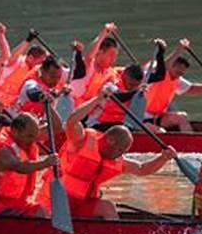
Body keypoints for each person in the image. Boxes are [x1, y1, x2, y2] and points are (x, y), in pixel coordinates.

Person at [47, 90, 176, 219]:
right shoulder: (81, 140)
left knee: (107, 207)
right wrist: (97, 99)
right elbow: (72, 122)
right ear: (110, 140)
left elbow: (142, 169)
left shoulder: (117, 161)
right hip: (57, 201)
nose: (121, 155)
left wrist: (163, 158)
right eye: (120, 150)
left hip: (82, 204)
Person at [0, 111, 58, 217]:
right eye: (30, 136)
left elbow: (56, 127)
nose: (33, 141)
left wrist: (48, 104)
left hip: (16, 203)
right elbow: (19, 166)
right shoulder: (2, 150)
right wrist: (45, 163)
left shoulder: (25, 138)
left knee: (41, 211)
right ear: (15, 131)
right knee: (38, 214)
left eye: (34, 136)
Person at [144, 38, 202, 132]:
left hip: (158, 117)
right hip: (140, 117)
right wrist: (179, 50)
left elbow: (192, 89)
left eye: (182, 72)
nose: (180, 74)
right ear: (172, 65)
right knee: (161, 132)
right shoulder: (154, 72)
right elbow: (163, 67)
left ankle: (191, 141)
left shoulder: (176, 79)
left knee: (182, 117)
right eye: (178, 70)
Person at [0, 29, 47, 106]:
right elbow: (14, 54)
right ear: (30, 58)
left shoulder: (34, 67)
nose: (41, 64)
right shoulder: (16, 62)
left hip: (11, 103)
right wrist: (28, 40)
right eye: (40, 61)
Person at [73, 23, 120, 105]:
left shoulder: (110, 72)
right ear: (100, 52)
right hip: (75, 109)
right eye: (111, 55)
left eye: (115, 56)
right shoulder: (89, 65)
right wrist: (103, 33)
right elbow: (89, 56)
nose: (113, 59)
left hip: (91, 111)